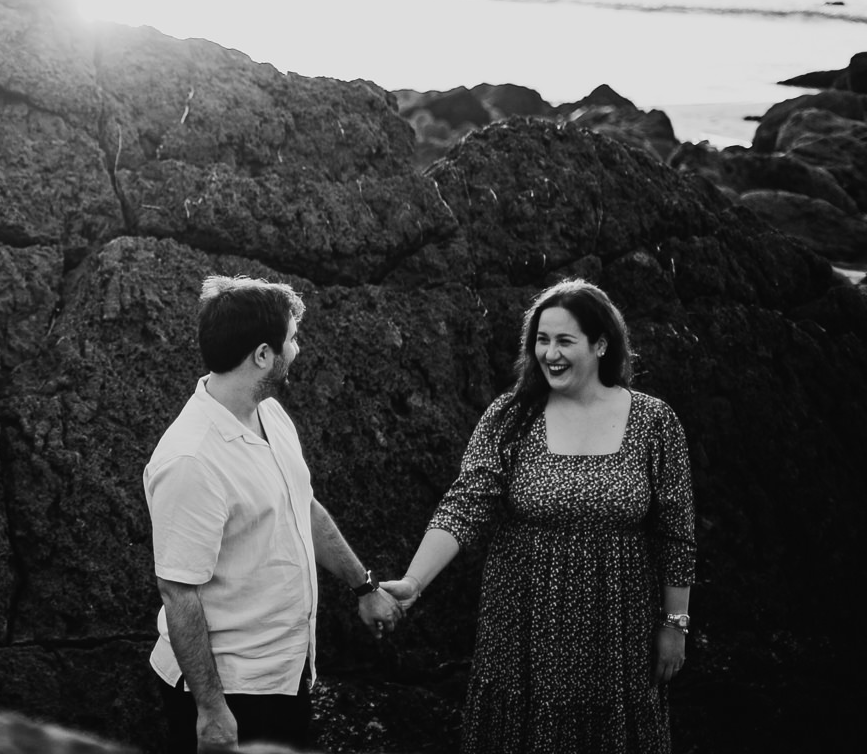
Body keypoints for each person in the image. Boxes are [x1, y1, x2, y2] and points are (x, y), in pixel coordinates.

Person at [382, 279, 696, 753]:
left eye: (565, 340)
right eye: (542, 340)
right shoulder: (512, 415)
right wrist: (413, 582)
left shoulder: (655, 421)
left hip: (619, 627)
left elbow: (676, 532)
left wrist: (675, 624)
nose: (550, 353)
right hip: (524, 623)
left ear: (601, 344)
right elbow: (467, 503)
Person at [144, 275, 404, 753]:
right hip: (230, 694)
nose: (297, 351)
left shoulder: (270, 415)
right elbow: (177, 591)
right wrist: (212, 712)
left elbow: (299, 504)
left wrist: (363, 586)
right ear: (262, 355)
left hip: (286, 677)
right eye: (292, 339)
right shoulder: (191, 459)